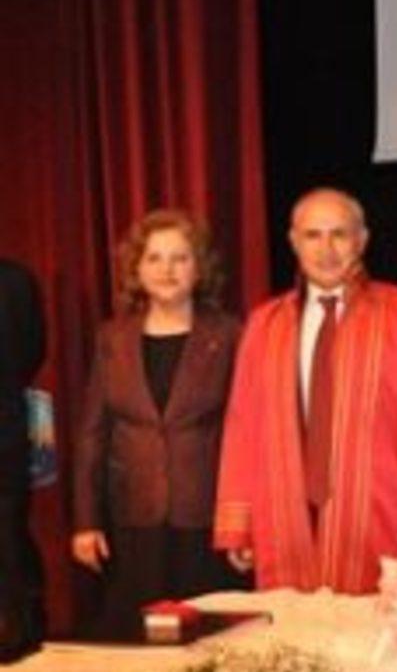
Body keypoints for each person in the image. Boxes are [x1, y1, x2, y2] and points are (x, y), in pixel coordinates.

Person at [214, 188, 397, 594]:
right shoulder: (265, 325)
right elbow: (243, 426)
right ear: (294, 242)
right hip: (284, 515)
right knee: (292, 629)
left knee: (373, 627)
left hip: (380, 516)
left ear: (362, 240)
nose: (326, 250)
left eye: (339, 235)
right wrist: (239, 522)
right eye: (313, 235)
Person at [71, 210, 244, 637]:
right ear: (137, 269)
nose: (167, 270)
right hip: (132, 519)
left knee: (208, 638)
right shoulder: (112, 338)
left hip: (205, 518)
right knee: (138, 636)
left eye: (180, 258)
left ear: (199, 268)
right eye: (154, 258)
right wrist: (86, 522)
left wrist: (244, 524)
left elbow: (247, 435)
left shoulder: (229, 334)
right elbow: (93, 434)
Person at [0, 258, 45, 662]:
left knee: (8, 538)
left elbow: (31, 353)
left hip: (4, 436)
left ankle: (19, 638)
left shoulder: (15, 281)